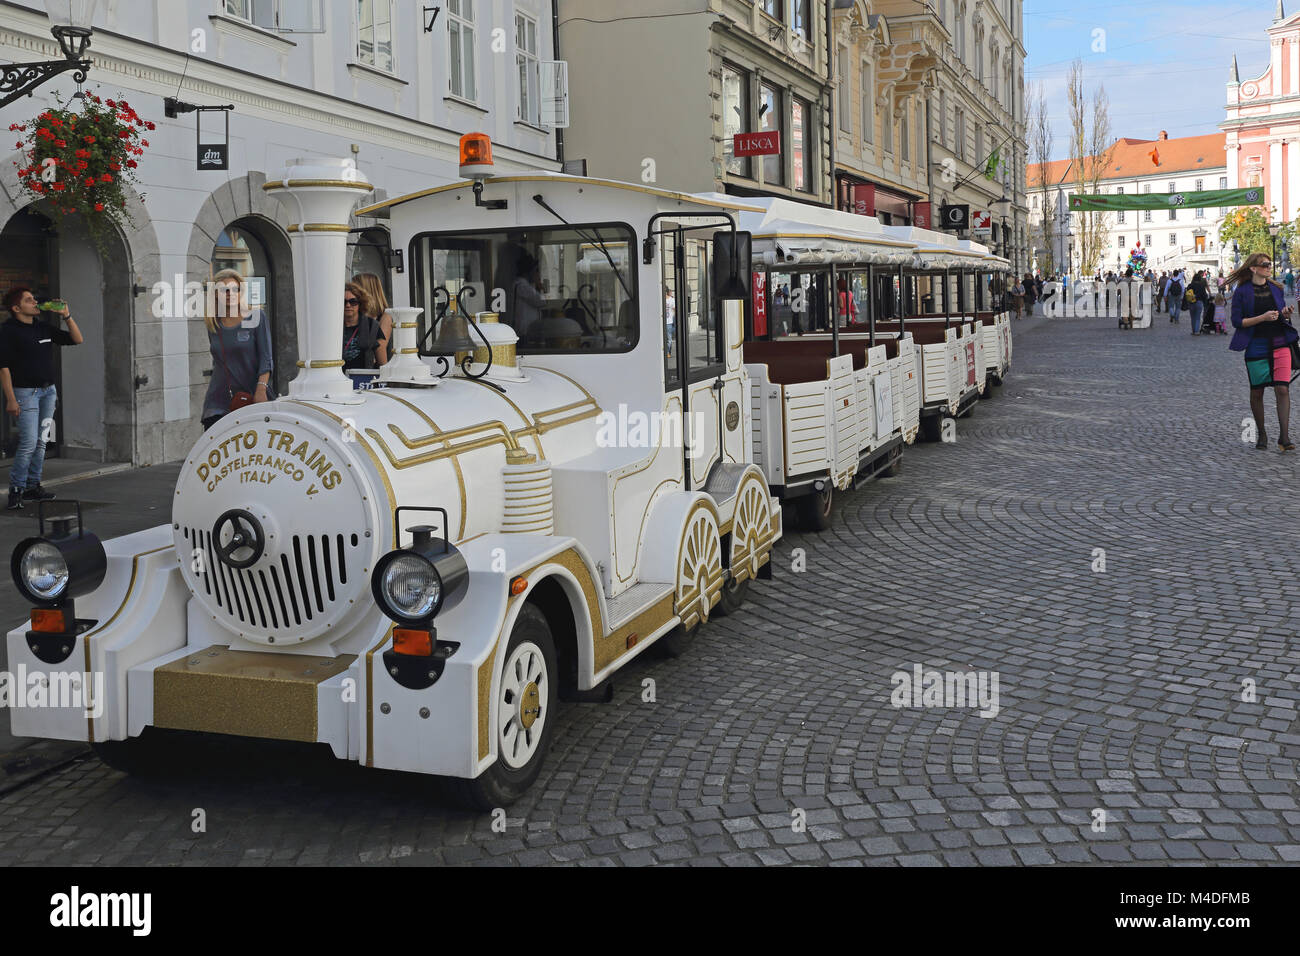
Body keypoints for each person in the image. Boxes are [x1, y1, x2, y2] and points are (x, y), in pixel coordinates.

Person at [0, 287, 83, 509]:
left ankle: (32, 487)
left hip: (48, 392)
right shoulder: (8, 331)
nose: (35, 302)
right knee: (28, 442)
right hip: (25, 393)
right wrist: (10, 399)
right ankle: (16, 491)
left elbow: (77, 339)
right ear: (17, 308)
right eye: (29, 300)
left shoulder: (43, 327)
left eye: (34, 298)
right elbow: (4, 368)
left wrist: (66, 315)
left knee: (41, 442)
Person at [1230, 253, 1295, 450]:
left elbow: (1279, 312)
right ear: (1253, 268)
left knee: (1282, 388)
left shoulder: (1276, 288)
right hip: (1256, 344)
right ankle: (1262, 433)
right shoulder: (1242, 292)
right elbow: (1237, 322)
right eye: (1265, 265)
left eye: (1269, 264)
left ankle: (1284, 437)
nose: (1269, 267)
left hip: (1280, 341)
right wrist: (1262, 317)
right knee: (1257, 391)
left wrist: (1284, 313)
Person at [202, 270, 273, 432]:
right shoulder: (213, 323)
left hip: (252, 396)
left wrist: (261, 389)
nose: (230, 294)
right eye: (224, 290)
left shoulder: (256, 317)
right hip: (218, 401)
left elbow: (266, 358)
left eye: (235, 289)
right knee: (216, 450)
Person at [341, 281, 386, 374]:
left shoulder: (372, 326)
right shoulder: (332, 327)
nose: (348, 305)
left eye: (353, 302)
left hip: (364, 381)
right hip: (337, 380)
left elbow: (383, 364)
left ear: (360, 303)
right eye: (344, 301)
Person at [351, 273, 393, 365]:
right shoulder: (356, 314)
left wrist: (384, 375)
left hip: (372, 371)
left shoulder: (385, 316)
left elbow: (380, 347)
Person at [511, 254, 547, 341]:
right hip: (524, 331)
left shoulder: (525, 285)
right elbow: (541, 301)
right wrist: (540, 285)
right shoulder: (521, 285)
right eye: (536, 271)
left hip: (528, 329)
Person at [1189, 270, 1208, 335]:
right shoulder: (1201, 286)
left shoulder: (1190, 285)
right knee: (1197, 317)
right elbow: (1204, 295)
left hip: (1191, 302)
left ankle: (1193, 330)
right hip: (1199, 302)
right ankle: (1196, 331)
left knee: (1192, 317)